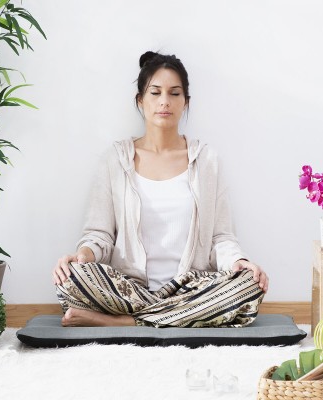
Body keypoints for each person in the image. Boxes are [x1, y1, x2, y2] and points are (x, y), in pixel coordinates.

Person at [52, 51, 269, 328]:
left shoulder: (207, 161)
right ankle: (173, 318)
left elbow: (221, 238)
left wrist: (238, 261)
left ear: (186, 102)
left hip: (192, 288)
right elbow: (100, 235)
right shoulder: (115, 159)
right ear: (140, 100)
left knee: (249, 284)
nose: (164, 101)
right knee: (70, 277)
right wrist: (82, 256)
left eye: (174, 93)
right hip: (128, 289)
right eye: (155, 93)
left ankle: (123, 323)